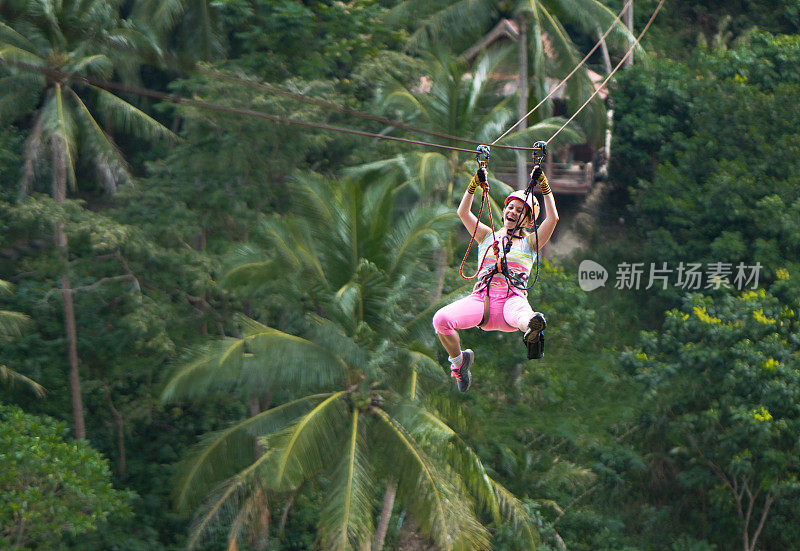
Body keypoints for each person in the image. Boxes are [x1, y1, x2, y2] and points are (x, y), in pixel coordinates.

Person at [432, 165, 559, 391]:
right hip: (482, 302)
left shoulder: (531, 243)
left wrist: (544, 185)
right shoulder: (486, 236)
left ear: (529, 222)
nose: (512, 212)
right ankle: (458, 363)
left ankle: (532, 330)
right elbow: (463, 212)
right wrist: (474, 184)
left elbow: (553, 218)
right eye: (510, 207)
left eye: (519, 211)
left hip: (512, 300)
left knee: (524, 316)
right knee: (441, 320)